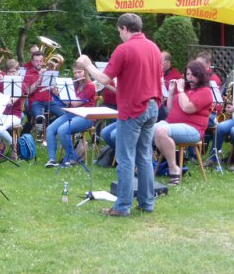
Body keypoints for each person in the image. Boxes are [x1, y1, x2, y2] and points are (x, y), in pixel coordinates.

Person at [77, 13, 163, 217]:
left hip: (133, 108)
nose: (119, 35)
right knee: (144, 156)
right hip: (152, 106)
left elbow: (104, 79)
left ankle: (122, 206)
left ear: (124, 28)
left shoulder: (124, 49)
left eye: (119, 31)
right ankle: (147, 203)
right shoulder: (154, 47)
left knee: (126, 159)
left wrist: (87, 65)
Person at [153, 60, 213, 185]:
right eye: (188, 74)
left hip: (193, 129)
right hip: (173, 124)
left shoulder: (205, 92)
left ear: (200, 76)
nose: (189, 77)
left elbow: (187, 108)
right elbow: (170, 109)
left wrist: (180, 91)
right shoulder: (186, 91)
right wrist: (171, 92)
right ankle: (145, 166)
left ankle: (173, 168)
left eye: (193, 75)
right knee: (146, 130)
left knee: (160, 130)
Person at [44, 64, 97, 168]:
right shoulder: (75, 85)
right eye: (75, 72)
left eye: (79, 72)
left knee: (62, 130)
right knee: (50, 129)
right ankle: (52, 159)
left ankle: (71, 158)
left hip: (86, 117)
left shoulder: (90, 86)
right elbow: (67, 103)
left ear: (85, 72)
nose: (77, 75)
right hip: (72, 114)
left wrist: (61, 92)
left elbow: (75, 103)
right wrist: (57, 93)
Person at [0, 59, 25, 156]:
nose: (11, 74)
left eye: (14, 72)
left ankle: (14, 145)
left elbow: (10, 102)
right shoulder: (1, 84)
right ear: (6, 73)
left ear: (18, 72)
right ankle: (1, 144)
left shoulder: (21, 85)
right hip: (1, 114)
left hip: (15, 115)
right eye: (9, 72)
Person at [23, 51, 64, 131]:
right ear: (32, 62)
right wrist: (39, 78)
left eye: (41, 61)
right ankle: (40, 132)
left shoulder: (49, 72)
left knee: (63, 115)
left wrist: (54, 88)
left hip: (49, 101)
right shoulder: (28, 74)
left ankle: (48, 128)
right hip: (35, 102)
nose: (39, 63)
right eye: (36, 61)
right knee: (39, 118)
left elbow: (55, 92)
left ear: (44, 61)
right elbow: (28, 92)